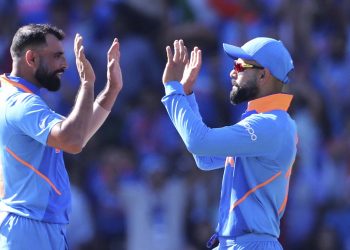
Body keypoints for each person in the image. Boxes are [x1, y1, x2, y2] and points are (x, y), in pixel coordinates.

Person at [161, 37, 297, 249]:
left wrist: (173, 89)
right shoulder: (265, 123)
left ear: (263, 75)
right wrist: (186, 94)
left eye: (240, 65)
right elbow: (205, 158)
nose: (232, 72)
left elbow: (199, 143)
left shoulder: (271, 124)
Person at [0, 23, 123, 249]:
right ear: (31, 59)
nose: (65, 64)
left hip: (31, 226)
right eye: (57, 56)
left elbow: (78, 134)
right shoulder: (21, 103)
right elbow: (73, 141)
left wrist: (111, 90)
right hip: (29, 229)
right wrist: (87, 84)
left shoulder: (11, 94)